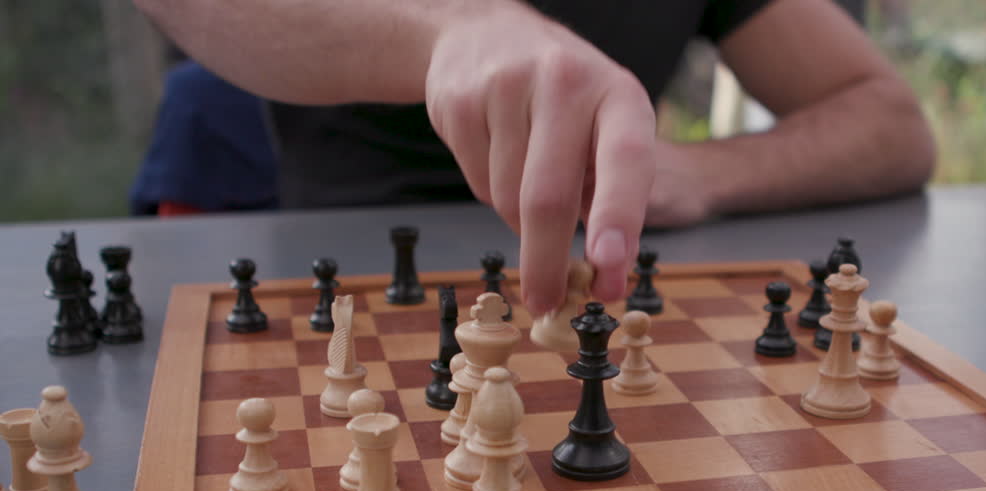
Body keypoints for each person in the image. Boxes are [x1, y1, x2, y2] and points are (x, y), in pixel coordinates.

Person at [135, 0, 935, 315]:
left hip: (603, 274)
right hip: (347, 298)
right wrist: (451, 28)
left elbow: (892, 121)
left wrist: (701, 173)